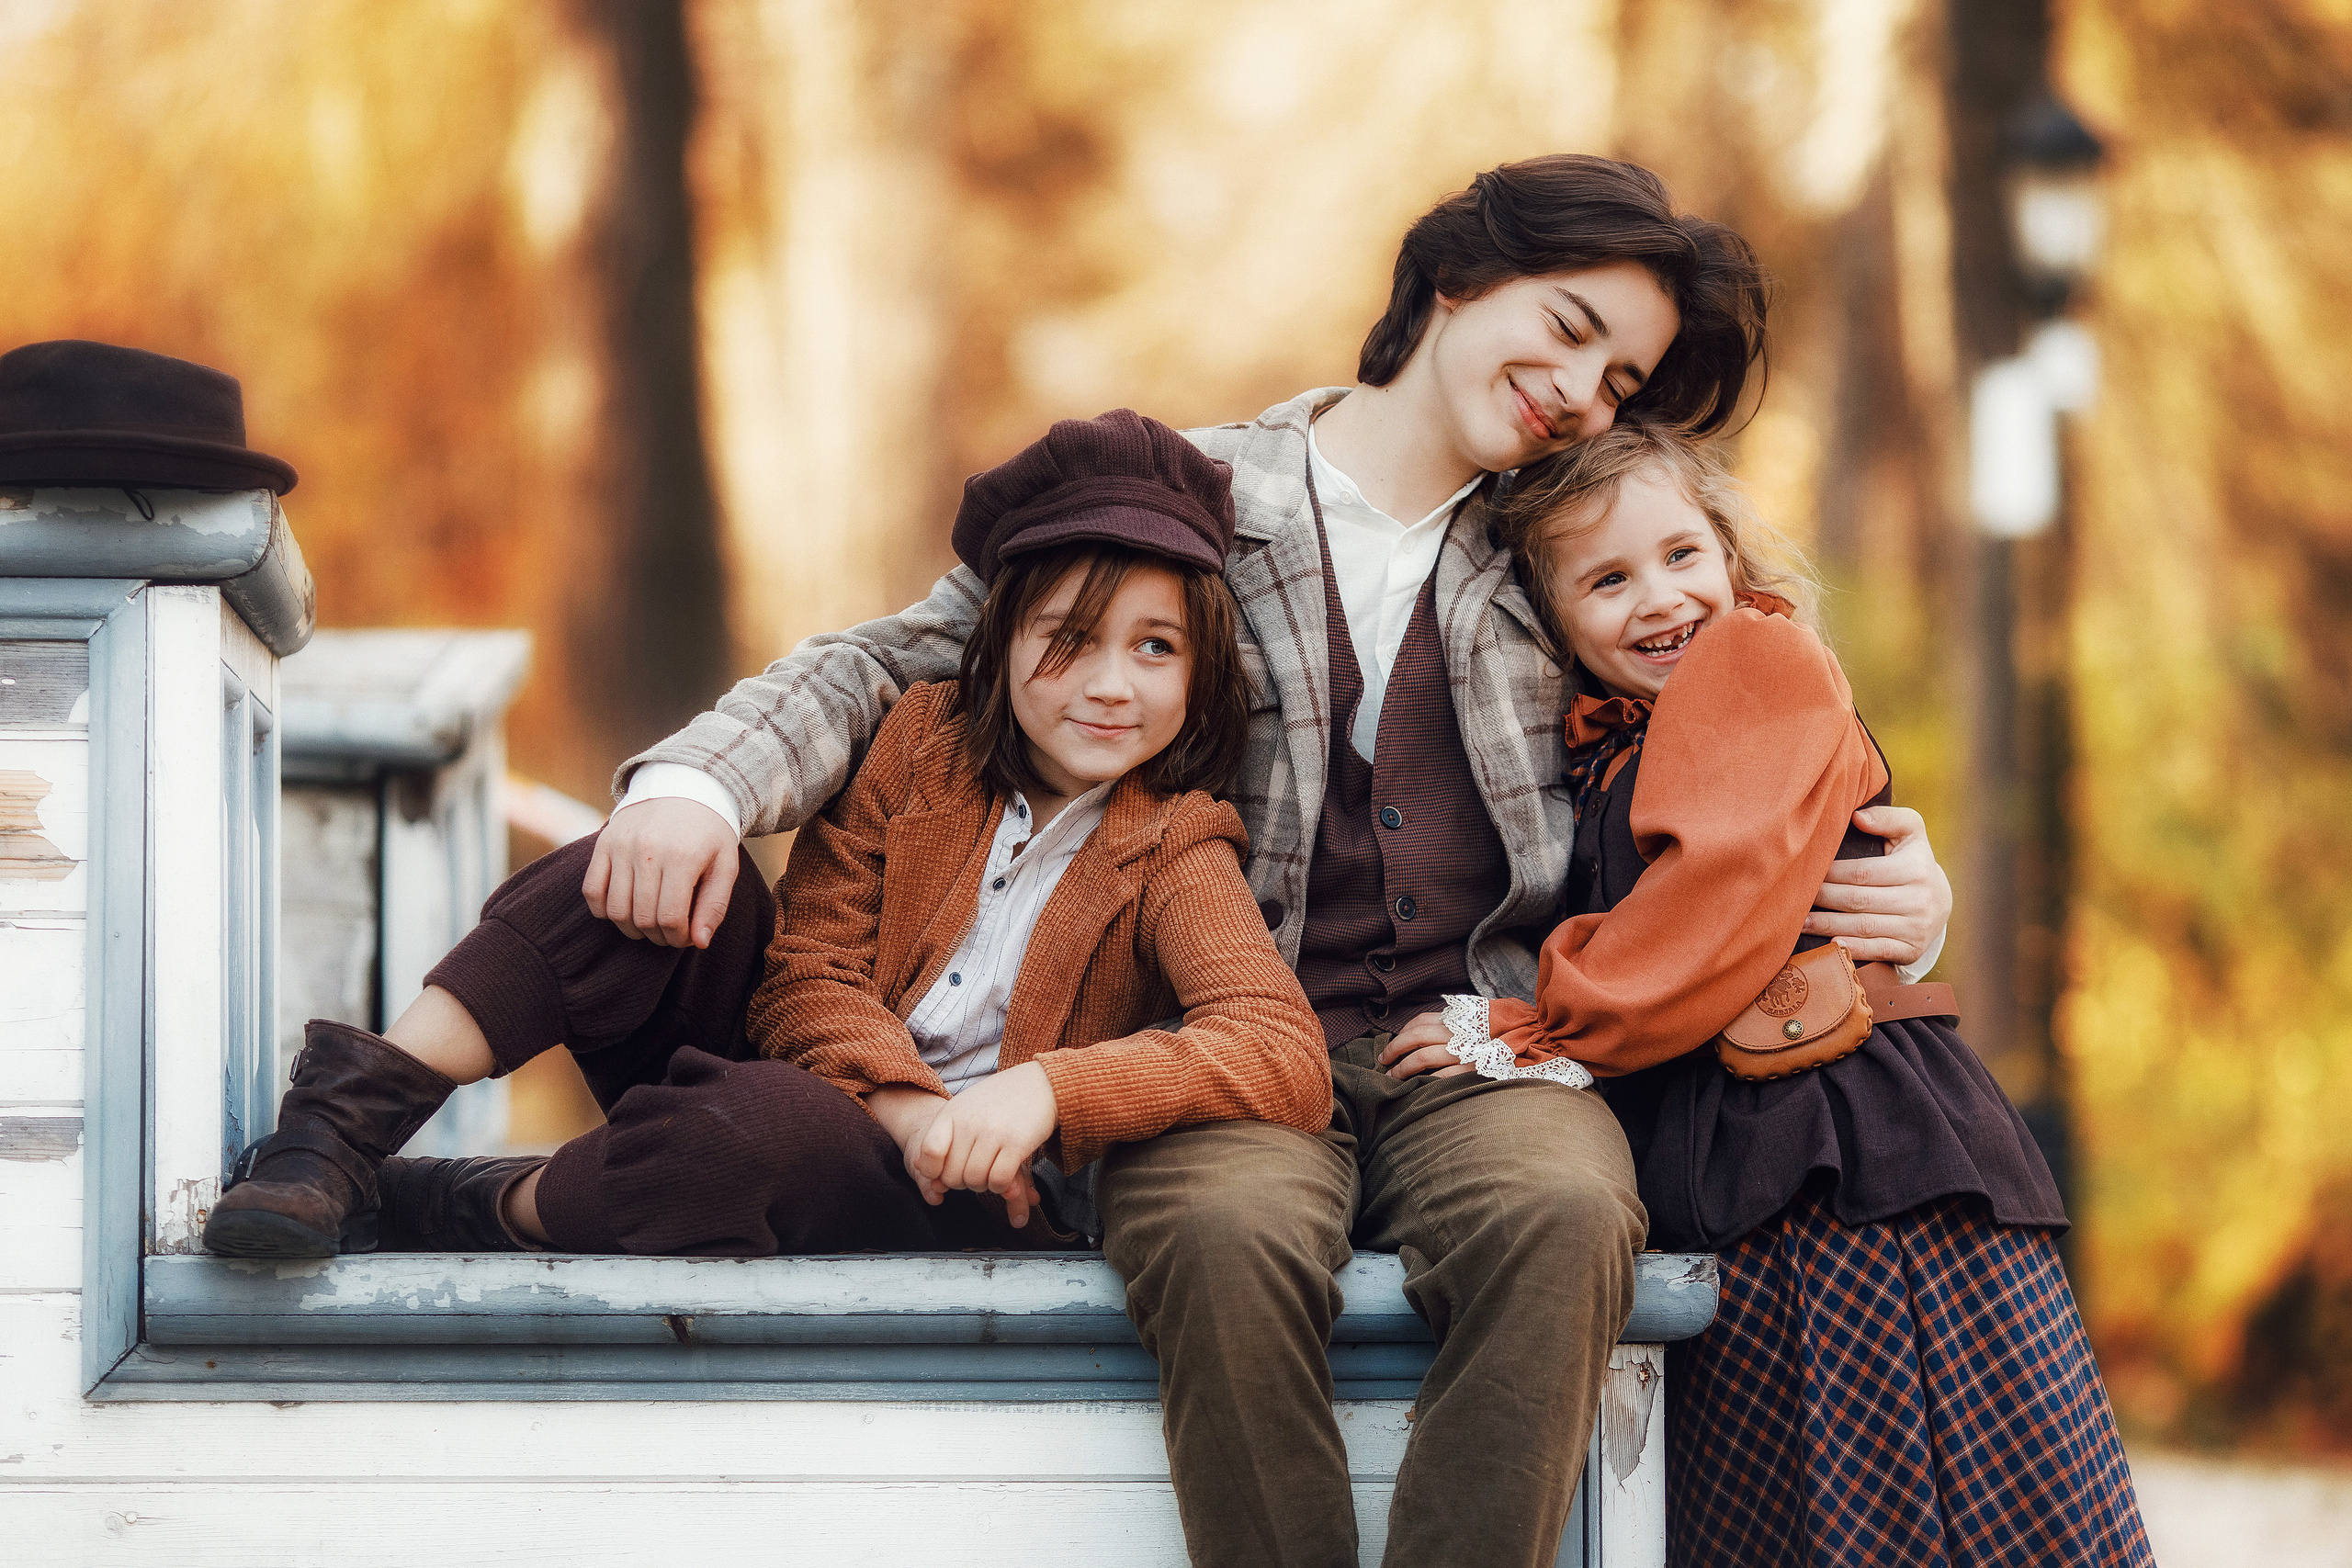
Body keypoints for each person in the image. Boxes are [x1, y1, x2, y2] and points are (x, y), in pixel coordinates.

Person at [579, 154, 1953, 1567]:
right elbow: (895, 659)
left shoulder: (1564, 541)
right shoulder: (1186, 495)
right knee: (1223, 1236)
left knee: (1567, 1211)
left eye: (1619, 380)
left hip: (1487, 1046)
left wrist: (1902, 892)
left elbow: (1748, 744)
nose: (1580, 389)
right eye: (1569, 323)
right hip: (1211, 1044)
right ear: (1457, 276)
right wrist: (697, 782)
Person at [205, 410, 1329, 1258]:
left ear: (1201, 670)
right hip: (823, 1091)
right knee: (638, 861)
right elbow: (804, 979)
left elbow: (1277, 1049)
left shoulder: (1179, 842)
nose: (1108, 685)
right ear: (996, 640)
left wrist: (1046, 1094)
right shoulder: (918, 746)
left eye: (1154, 649)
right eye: (1069, 638)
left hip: (960, 1204)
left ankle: (474, 1201)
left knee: (741, 1133)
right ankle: (336, 1133)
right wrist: (906, 1108)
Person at [1386, 418, 2151, 1566]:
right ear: (1550, 617)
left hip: (1842, 1153)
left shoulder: (1757, 661)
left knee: (1894, 1501)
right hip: (1741, 1155)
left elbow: (1716, 896)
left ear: (1729, 553)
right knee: (1793, 1515)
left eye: (1682, 555)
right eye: (1607, 579)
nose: (1660, 598)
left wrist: (1537, 1030)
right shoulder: (1605, 740)